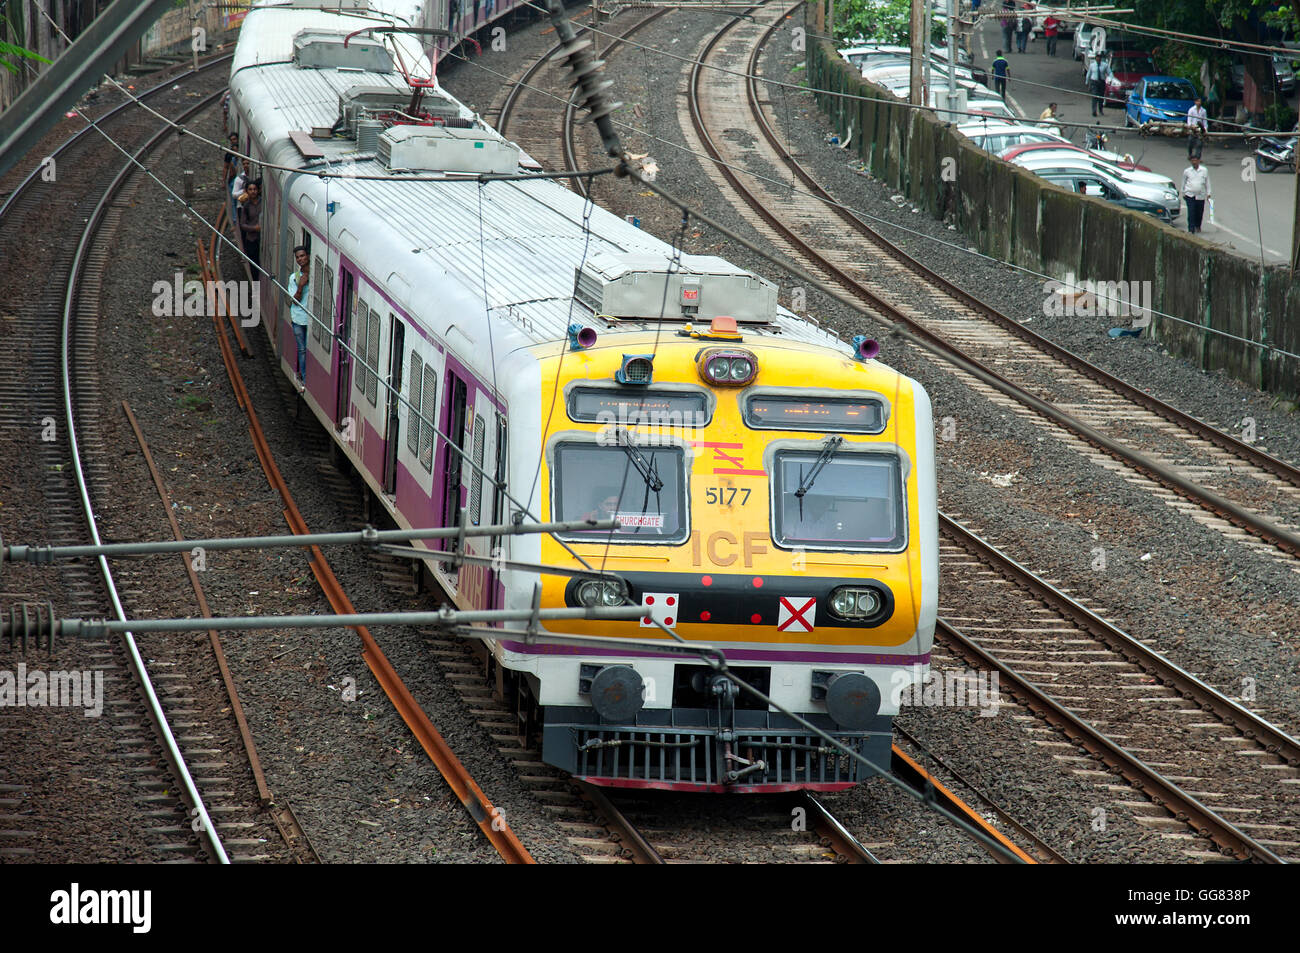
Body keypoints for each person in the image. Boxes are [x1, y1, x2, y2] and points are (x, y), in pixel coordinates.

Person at [288, 245, 311, 389]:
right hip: (297, 318)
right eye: (298, 257)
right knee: (302, 349)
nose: (300, 259)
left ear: (308, 256)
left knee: (308, 349)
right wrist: (301, 286)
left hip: (310, 318)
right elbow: (294, 300)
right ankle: (304, 377)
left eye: (302, 256)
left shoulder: (314, 275)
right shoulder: (294, 278)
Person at [1181, 155, 1211, 234]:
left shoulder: (1204, 170)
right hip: (1190, 194)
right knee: (1191, 212)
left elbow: (1207, 182)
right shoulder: (1187, 171)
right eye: (1192, 160)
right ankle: (1191, 229)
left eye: (1195, 160)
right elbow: (1183, 182)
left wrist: (1209, 193)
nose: (1194, 162)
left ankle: (1198, 225)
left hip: (1200, 195)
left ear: (1199, 161)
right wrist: (1183, 192)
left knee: (1199, 212)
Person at [238, 180, 262, 265]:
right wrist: (254, 228)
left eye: (255, 189)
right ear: (247, 191)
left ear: (258, 190)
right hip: (252, 239)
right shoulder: (246, 206)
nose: (253, 191)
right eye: (250, 189)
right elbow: (242, 224)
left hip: (263, 239)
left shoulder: (263, 203)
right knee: (253, 264)